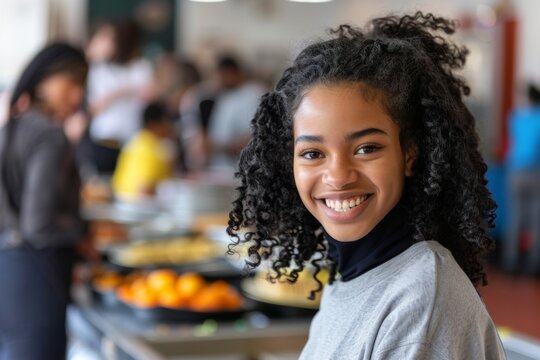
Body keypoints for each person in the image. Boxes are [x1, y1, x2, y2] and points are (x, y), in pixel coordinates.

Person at [227, 12, 506, 359]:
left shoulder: (422, 299)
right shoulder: (348, 278)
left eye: (366, 148)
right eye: (313, 153)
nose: (338, 176)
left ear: (409, 154)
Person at [0, 43, 89, 359]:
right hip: (36, 276)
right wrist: (84, 232)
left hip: (9, 269)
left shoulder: (15, 124)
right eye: (72, 82)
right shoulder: (48, 135)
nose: (77, 97)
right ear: (43, 80)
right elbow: (38, 224)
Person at [85, 20, 153, 173]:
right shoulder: (97, 69)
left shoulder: (140, 66)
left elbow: (148, 96)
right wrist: (124, 91)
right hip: (103, 141)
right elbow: (93, 108)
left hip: (132, 142)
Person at [504, 83, 540, 275]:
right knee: (536, 219)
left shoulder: (515, 117)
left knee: (515, 218)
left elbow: (512, 142)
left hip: (516, 171)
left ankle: (511, 261)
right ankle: (534, 263)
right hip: (536, 172)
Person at [205, 55, 266, 167]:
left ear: (232, 72)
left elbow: (255, 137)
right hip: (219, 171)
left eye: (222, 75)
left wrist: (219, 148)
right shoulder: (224, 96)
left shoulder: (253, 93)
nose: (218, 80)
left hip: (244, 171)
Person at [112, 101, 175, 200]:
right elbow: (144, 189)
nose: (170, 126)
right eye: (166, 121)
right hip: (139, 210)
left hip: (120, 205)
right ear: (154, 124)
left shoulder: (135, 142)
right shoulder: (152, 149)